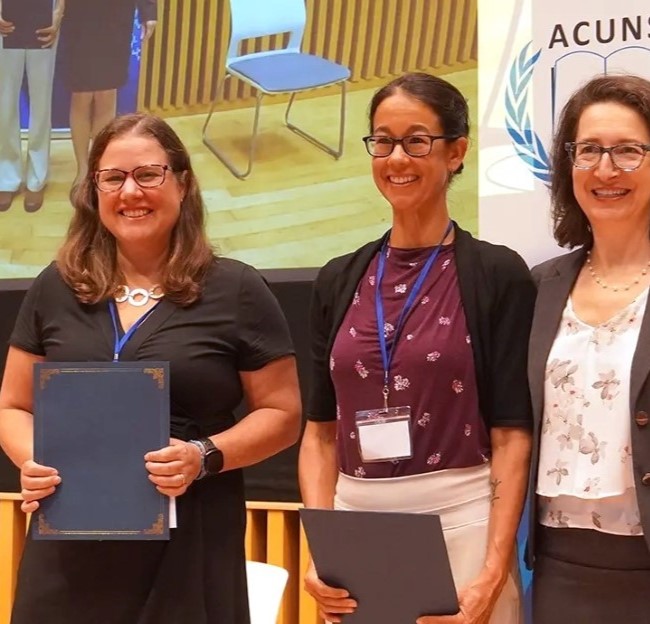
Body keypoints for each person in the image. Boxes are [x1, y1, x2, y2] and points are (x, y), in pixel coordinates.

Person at [0, 112, 302, 623]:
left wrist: (203, 454)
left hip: (190, 543)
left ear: (182, 183)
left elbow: (283, 413)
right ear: (93, 192)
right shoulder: (56, 287)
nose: (130, 191)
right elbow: (12, 405)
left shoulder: (237, 289)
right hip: (68, 542)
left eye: (148, 174)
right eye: (112, 178)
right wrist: (37, 462)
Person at [299, 72, 535, 624]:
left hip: (463, 524)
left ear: (456, 152)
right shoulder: (338, 279)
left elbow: (511, 435)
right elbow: (318, 433)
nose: (396, 157)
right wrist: (323, 546)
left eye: (416, 140)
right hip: (356, 530)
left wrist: (493, 571)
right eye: (382, 141)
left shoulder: (497, 274)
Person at [527, 74, 650, 624]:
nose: (605, 170)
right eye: (589, 150)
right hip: (559, 568)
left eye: (628, 151)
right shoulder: (538, 287)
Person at [58, 0, 157, 187]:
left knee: (107, 94)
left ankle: (99, 165)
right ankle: (83, 169)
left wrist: (149, 11)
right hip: (79, 17)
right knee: (81, 95)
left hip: (115, 16)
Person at [0, 0, 64, 212]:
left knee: (41, 100)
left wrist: (58, 13)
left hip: (43, 19)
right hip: (5, 20)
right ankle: (7, 176)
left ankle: (37, 177)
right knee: (4, 103)